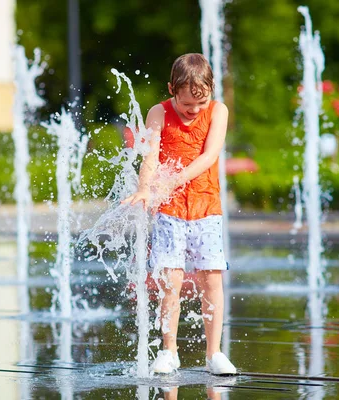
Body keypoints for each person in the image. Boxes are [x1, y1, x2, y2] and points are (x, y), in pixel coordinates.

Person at [123, 53, 236, 375]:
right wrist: (146, 188)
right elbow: (151, 157)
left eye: (200, 105)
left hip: (206, 206)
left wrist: (171, 181)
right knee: (170, 282)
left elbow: (210, 155)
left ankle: (214, 353)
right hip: (169, 210)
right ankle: (169, 350)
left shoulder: (218, 110)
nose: (194, 112)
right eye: (187, 106)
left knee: (211, 280)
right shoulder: (158, 112)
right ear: (172, 88)